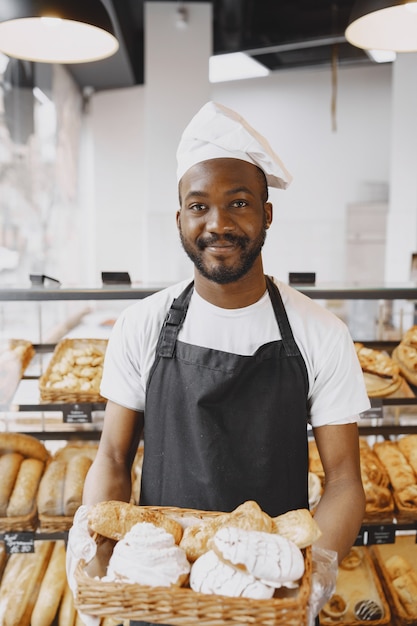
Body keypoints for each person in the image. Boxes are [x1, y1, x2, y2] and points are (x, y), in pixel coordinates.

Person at [67, 101, 370, 626]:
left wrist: (318, 564)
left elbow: (344, 480)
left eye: (238, 203)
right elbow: (113, 460)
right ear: (180, 216)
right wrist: (98, 549)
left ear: (267, 214)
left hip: (273, 596)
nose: (218, 224)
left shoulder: (320, 333)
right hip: (163, 589)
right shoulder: (143, 325)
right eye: (199, 206)